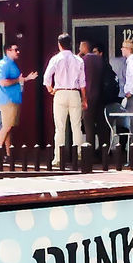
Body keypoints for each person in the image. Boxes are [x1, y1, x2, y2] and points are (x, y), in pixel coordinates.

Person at [43, 32, 86, 168]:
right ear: (71, 44)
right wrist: (84, 99)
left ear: (59, 45)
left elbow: (46, 78)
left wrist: (51, 90)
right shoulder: (79, 60)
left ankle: (58, 158)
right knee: (76, 127)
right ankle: (79, 153)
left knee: (60, 128)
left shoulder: (55, 59)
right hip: (74, 92)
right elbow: (83, 82)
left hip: (60, 92)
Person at [0, 43, 38, 153]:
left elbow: (18, 80)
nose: (18, 52)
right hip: (7, 99)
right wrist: (18, 80)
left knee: (9, 127)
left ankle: (9, 154)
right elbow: (3, 82)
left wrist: (27, 78)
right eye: (16, 50)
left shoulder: (12, 64)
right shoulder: (3, 64)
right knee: (7, 127)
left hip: (14, 98)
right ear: (8, 51)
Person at [81, 41, 112, 150]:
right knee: (101, 124)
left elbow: (81, 80)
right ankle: (104, 150)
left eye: (81, 46)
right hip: (100, 95)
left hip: (88, 96)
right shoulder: (100, 60)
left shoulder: (83, 61)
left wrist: (83, 98)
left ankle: (90, 150)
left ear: (85, 48)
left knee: (89, 125)